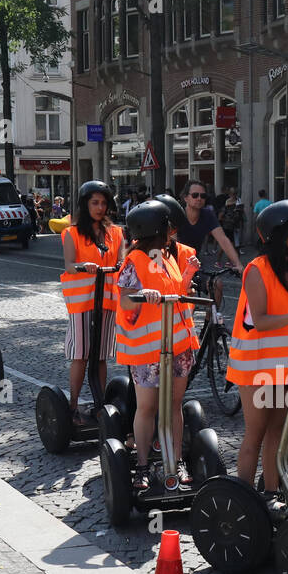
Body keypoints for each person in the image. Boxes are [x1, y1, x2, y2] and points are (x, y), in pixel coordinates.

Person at [227, 200, 288, 500]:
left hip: (285, 368)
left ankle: (272, 494)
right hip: (254, 366)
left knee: (278, 433)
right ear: (280, 234)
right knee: (256, 433)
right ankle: (244, 500)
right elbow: (261, 320)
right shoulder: (256, 270)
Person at [115, 200, 199, 488]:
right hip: (147, 351)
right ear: (158, 229)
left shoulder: (167, 257)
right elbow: (125, 301)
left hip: (177, 348)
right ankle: (141, 465)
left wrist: (186, 277)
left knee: (174, 406)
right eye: (168, 226)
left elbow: (176, 294)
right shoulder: (133, 261)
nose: (172, 231)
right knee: (148, 407)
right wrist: (142, 293)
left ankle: (176, 462)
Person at [61, 181, 124, 426]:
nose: (100, 207)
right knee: (81, 355)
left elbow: (122, 259)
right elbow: (68, 264)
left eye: (103, 203)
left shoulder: (116, 233)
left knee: (100, 357)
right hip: (82, 303)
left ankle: (99, 407)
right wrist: (81, 267)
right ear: (85, 204)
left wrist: (121, 264)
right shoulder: (72, 233)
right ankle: (73, 406)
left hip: (107, 302)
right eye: (95, 202)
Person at [175, 179, 243, 269]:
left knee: (216, 283)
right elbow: (172, 244)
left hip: (194, 263)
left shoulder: (208, 214)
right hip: (175, 264)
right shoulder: (177, 214)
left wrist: (238, 263)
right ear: (186, 198)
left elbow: (223, 240)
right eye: (195, 195)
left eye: (203, 196)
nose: (199, 198)